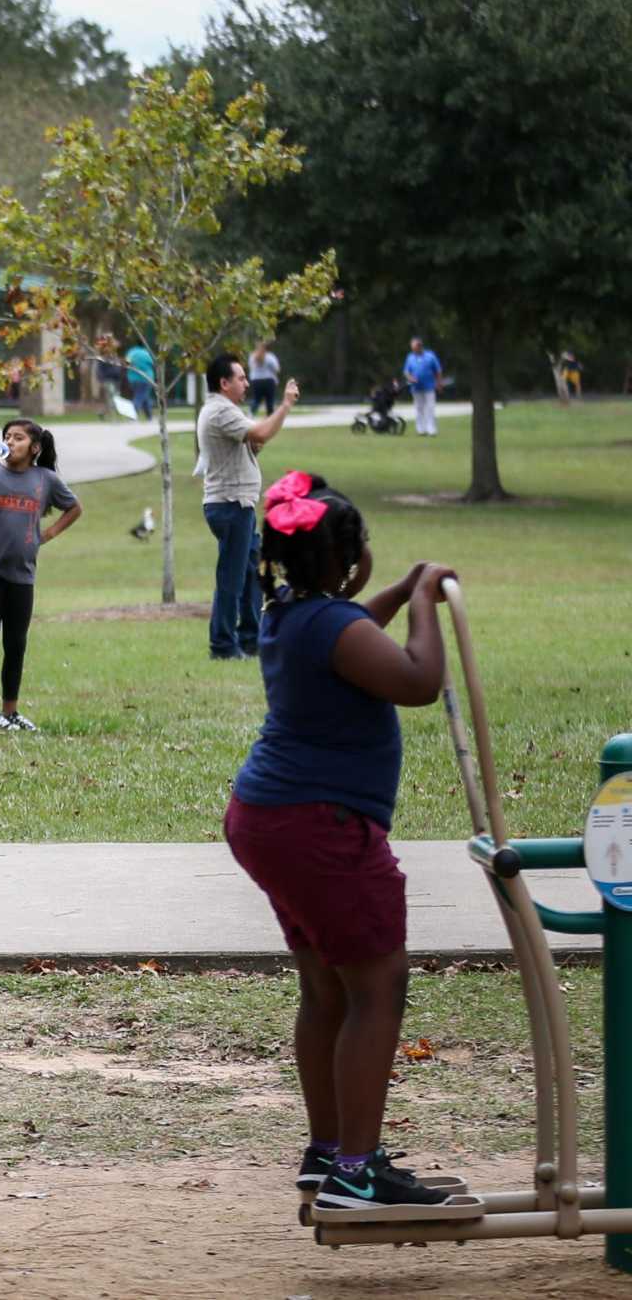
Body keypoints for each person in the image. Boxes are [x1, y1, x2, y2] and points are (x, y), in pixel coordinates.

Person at [224, 468, 462, 1215]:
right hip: (321, 826)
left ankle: (329, 1150)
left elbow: (358, 623)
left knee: (326, 986)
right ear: (344, 558)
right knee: (377, 984)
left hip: (270, 817)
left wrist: (393, 590)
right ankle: (358, 1170)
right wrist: (422, 598)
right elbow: (420, 680)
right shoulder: (332, 626)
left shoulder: (293, 610)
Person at [0, 418, 83, 731]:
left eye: (18, 438)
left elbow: (74, 507)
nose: (10, 442)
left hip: (22, 573)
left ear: (34, 448)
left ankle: (10, 712)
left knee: (16, 642)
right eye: (7, 437)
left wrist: (45, 535)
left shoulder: (45, 479)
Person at [197, 353, 300, 660]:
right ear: (223, 383)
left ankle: (251, 639)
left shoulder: (226, 410)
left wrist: (257, 440)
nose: (247, 382)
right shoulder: (219, 411)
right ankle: (223, 646)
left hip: (238, 505)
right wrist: (285, 405)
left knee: (254, 572)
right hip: (230, 506)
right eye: (240, 378)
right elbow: (261, 432)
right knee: (231, 578)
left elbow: (254, 439)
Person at [402, 337, 441, 436]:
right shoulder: (410, 357)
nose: (413, 350)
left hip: (429, 386)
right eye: (412, 348)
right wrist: (410, 378)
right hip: (416, 388)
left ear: (420, 346)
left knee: (430, 408)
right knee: (419, 408)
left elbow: (438, 371)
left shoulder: (430, 356)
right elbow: (406, 371)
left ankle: (431, 429)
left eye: (414, 348)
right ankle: (421, 429)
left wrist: (439, 383)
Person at [247, 339, 282, 416]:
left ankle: (250, 415)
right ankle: (269, 419)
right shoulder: (270, 357)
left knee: (256, 399)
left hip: (256, 381)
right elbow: (277, 369)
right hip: (269, 381)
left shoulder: (252, 357)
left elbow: (251, 368)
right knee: (270, 401)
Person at [125, 340, 156, 421]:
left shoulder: (131, 352)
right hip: (146, 378)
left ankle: (149, 417)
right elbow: (153, 364)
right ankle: (132, 416)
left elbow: (127, 363)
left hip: (133, 378)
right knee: (140, 396)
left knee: (144, 396)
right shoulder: (146, 353)